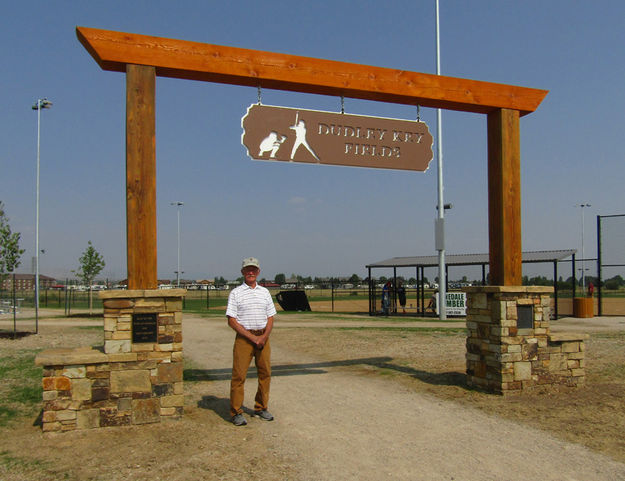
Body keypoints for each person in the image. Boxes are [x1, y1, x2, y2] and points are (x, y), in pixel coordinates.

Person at [226, 257, 277, 426]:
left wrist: (263, 337)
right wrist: (252, 337)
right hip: (244, 338)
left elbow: (270, 317)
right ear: (242, 272)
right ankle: (236, 412)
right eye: (247, 269)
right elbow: (231, 320)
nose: (250, 272)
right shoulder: (236, 293)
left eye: (253, 269)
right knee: (239, 375)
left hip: (263, 338)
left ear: (258, 272)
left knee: (265, 373)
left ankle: (261, 407)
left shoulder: (264, 292)